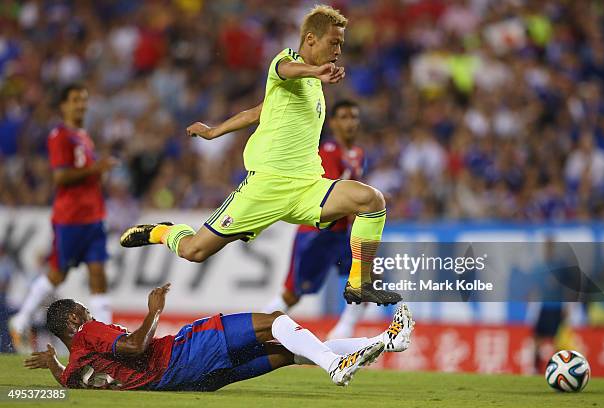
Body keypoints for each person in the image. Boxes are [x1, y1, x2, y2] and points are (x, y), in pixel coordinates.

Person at [119, 5, 401, 305]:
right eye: (334, 42)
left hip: (307, 186)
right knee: (194, 251)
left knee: (371, 200)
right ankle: (163, 232)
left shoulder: (314, 85)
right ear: (310, 39)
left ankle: (359, 282)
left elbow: (258, 111)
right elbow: (285, 70)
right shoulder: (287, 61)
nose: (339, 49)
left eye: (341, 43)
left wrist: (216, 131)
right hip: (265, 186)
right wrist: (315, 70)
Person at [24, 283, 415, 390]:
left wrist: (53, 364)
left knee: (288, 352)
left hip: (187, 382)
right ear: (75, 320)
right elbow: (135, 346)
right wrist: (154, 308)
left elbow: (69, 381)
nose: (90, 315)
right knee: (276, 321)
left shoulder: (75, 365)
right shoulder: (90, 332)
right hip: (179, 356)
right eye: (84, 312)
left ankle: (386, 341)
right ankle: (335, 365)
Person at [10, 83, 117, 352]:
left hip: (93, 216)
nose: (81, 105)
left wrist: (99, 174)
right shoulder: (60, 136)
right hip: (70, 219)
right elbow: (60, 176)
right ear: (63, 105)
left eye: (84, 99)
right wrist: (95, 169)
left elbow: (85, 174)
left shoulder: (83, 135)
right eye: (76, 100)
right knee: (58, 274)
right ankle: (21, 319)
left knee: (98, 274)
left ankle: (107, 340)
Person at [263, 99, 368, 338]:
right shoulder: (328, 151)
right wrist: (364, 206)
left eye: (354, 116)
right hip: (317, 232)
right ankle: (250, 334)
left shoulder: (359, 154)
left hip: (340, 234)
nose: (350, 122)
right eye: (343, 117)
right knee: (291, 295)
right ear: (332, 122)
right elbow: (332, 194)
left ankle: (339, 339)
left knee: (367, 278)